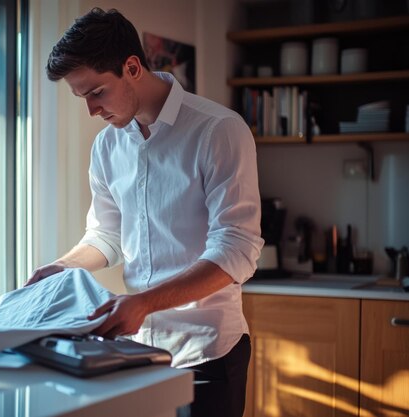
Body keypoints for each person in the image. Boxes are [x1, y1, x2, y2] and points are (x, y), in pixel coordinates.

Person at [26, 7, 264, 417]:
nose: (92, 111)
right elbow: (107, 236)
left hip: (206, 353)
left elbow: (237, 250)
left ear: (132, 66)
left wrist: (143, 304)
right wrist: (62, 268)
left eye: (96, 92)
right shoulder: (106, 147)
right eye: (81, 98)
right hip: (136, 354)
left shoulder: (219, 130)